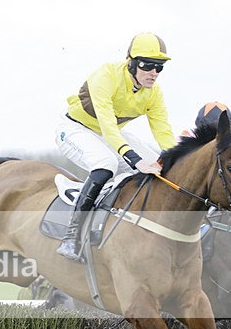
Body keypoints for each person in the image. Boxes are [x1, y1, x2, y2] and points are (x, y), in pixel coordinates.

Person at [55, 32, 177, 262]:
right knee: (106, 164)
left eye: (159, 67)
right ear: (131, 62)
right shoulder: (107, 76)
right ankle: (71, 237)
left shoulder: (154, 93)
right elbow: (109, 127)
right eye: (147, 65)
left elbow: (163, 132)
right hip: (75, 130)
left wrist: (179, 159)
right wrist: (134, 160)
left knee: (160, 166)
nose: (153, 73)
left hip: (108, 134)